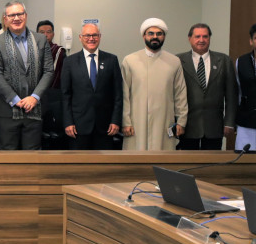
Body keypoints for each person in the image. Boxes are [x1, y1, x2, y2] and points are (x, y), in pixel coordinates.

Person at [0, 1, 54, 150]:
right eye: (12, 15)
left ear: (26, 16)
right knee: (8, 158)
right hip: (7, 111)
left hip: (34, 110)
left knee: (33, 157)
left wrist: (34, 97)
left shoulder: (40, 40)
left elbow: (49, 71)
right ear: (5, 19)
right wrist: (15, 99)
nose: (16, 18)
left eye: (20, 14)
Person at [121, 18, 188, 151]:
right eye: (151, 33)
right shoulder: (130, 60)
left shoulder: (174, 62)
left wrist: (181, 121)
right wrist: (126, 122)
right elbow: (124, 95)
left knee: (163, 157)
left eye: (159, 33)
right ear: (144, 36)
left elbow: (180, 93)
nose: (155, 37)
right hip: (136, 121)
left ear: (164, 36)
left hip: (164, 121)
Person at [60, 23, 122, 150]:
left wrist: (115, 120)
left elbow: (118, 94)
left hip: (105, 126)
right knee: (80, 165)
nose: (91, 38)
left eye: (95, 35)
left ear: (100, 37)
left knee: (103, 166)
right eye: (87, 35)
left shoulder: (111, 60)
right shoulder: (69, 62)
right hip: (78, 126)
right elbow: (65, 95)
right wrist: (68, 122)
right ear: (80, 37)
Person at [175, 24, 237, 150]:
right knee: (187, 165)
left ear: (209, 38)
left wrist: (229, 123)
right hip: (186, 126)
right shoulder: (178, 60)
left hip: (214, 126)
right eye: (197, 36)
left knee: (212, 166)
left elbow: (232, 95)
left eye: (205, 36)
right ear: (189, 38)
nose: (201, 40)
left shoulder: (224, 60)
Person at [235, 23, 256, 151]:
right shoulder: (241, 61)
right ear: (251, 41)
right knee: (244, 163)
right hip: (246, 122)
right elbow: (238, 91)